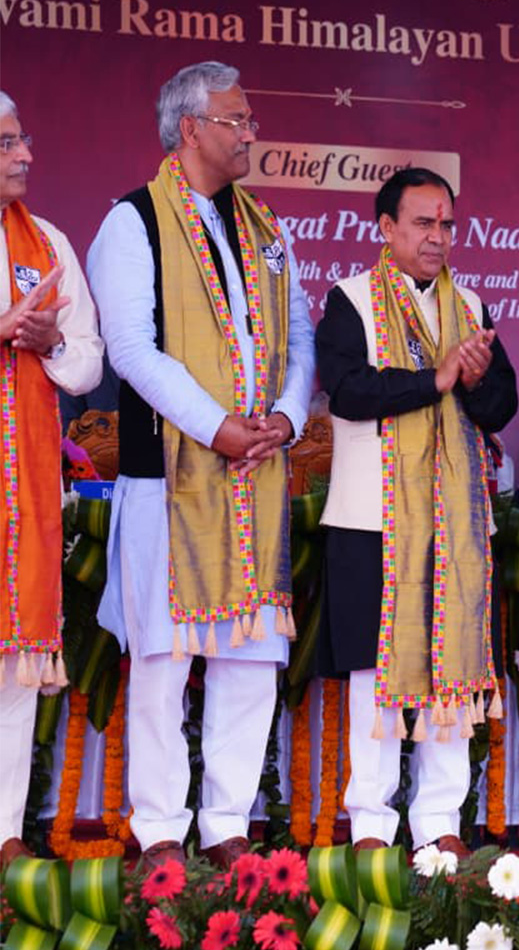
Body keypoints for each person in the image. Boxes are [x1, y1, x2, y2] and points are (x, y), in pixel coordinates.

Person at [87, 61, 314, 869]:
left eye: (249, 119)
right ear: (190, 129)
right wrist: (215, 427)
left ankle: (225, 825)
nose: (251, 132)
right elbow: (130, 349)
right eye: (236, 120)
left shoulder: (266, 229)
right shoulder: (133, 221)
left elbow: (299, 335)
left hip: (256, 472)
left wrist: (286, 417)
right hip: (170, 478)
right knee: (163, 658)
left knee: (249, 659)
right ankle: (158, 831)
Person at [315, 168, 517, 855]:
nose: (438, 236)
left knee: (450, 663)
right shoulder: (350, 300)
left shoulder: (471, 305)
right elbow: (348, 391)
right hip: (371, 519)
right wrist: (438, 378)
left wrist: (476, 378)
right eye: (424, 223)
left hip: (454, 522)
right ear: (387, 228)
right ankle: (370, 822)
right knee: (374, 669)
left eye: (447, 224)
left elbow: (499, 407)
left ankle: (440, 823)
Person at [0, 90, 103, 871]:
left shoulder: (49, 242)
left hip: (24, 491)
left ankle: (4, 833)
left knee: (10, 661)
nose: (26, 154)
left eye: (23, 139)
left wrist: (48, 339)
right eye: (7, 143)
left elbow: (87, 363)